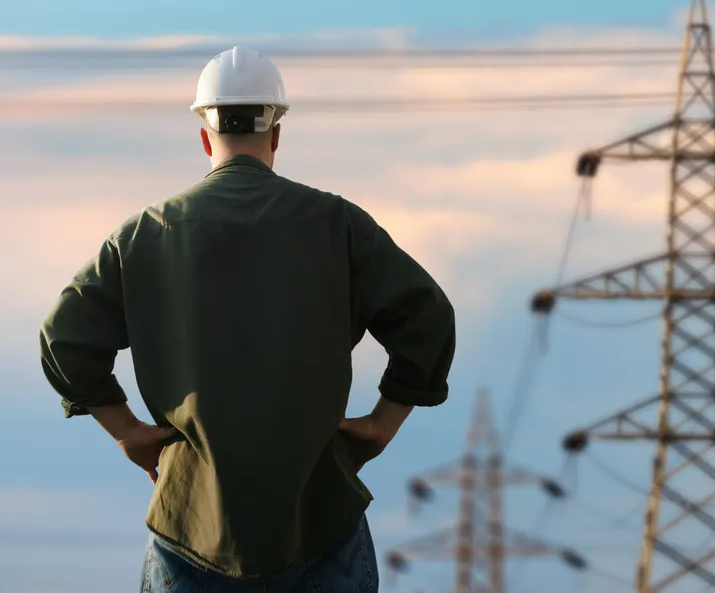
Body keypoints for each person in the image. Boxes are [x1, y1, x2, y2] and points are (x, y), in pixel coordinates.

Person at [38, 46, 456, 592]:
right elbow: (428, 318)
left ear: (205, 136)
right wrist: (383, 423)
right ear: (276, 133)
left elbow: (63, 339)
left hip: (188, 525)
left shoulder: (144, 234)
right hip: (321, 518)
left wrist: (127, 432)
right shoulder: (338, 224)